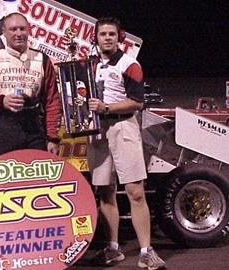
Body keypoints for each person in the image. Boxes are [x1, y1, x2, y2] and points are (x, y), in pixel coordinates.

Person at [87, 17, 166, 269]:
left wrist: (106, 107)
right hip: (97, 130)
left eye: (112, 34)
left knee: (135, 191)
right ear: (96, 38)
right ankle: (112, 249)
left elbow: (137, 102)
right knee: (105, 191)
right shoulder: (89, 66)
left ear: (119, 37)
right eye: (103, 34)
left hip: (124, 126)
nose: (107, 38)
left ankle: (146, 251)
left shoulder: (130, 64)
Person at [0, 12, 61, 158]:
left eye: (22, 29)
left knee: (37, 177)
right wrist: (1, 101)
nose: (18, 34)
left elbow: (52, 100)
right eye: (13, 29)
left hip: (34, 126)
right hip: (3, 126)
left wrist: (52, 137)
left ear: (29, 30)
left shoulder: (42, 59)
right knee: (6, 178)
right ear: (4, 32)